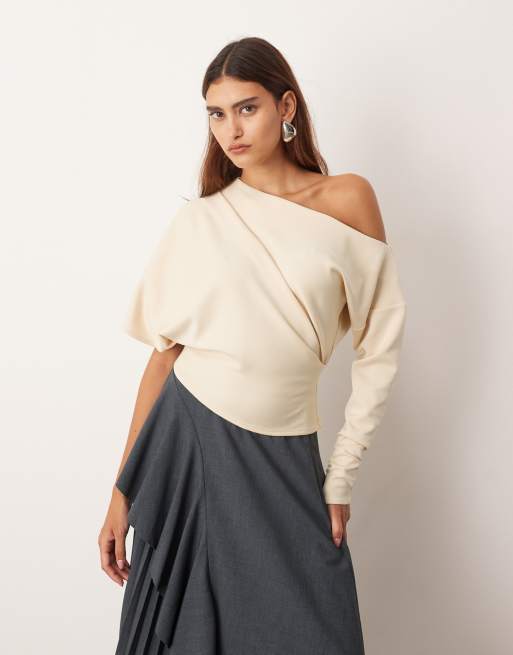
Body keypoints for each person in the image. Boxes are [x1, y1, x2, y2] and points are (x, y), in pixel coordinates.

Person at [98, 36, 407, 655]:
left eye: (247, 108)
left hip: (287, 451)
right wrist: (121, 491)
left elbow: (380, 349)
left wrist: (342, 475)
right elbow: (164, 357)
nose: (231, 130)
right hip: (190, 442)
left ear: (285, 106)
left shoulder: (348, 199)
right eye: (216, 114)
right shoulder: (201, 219)